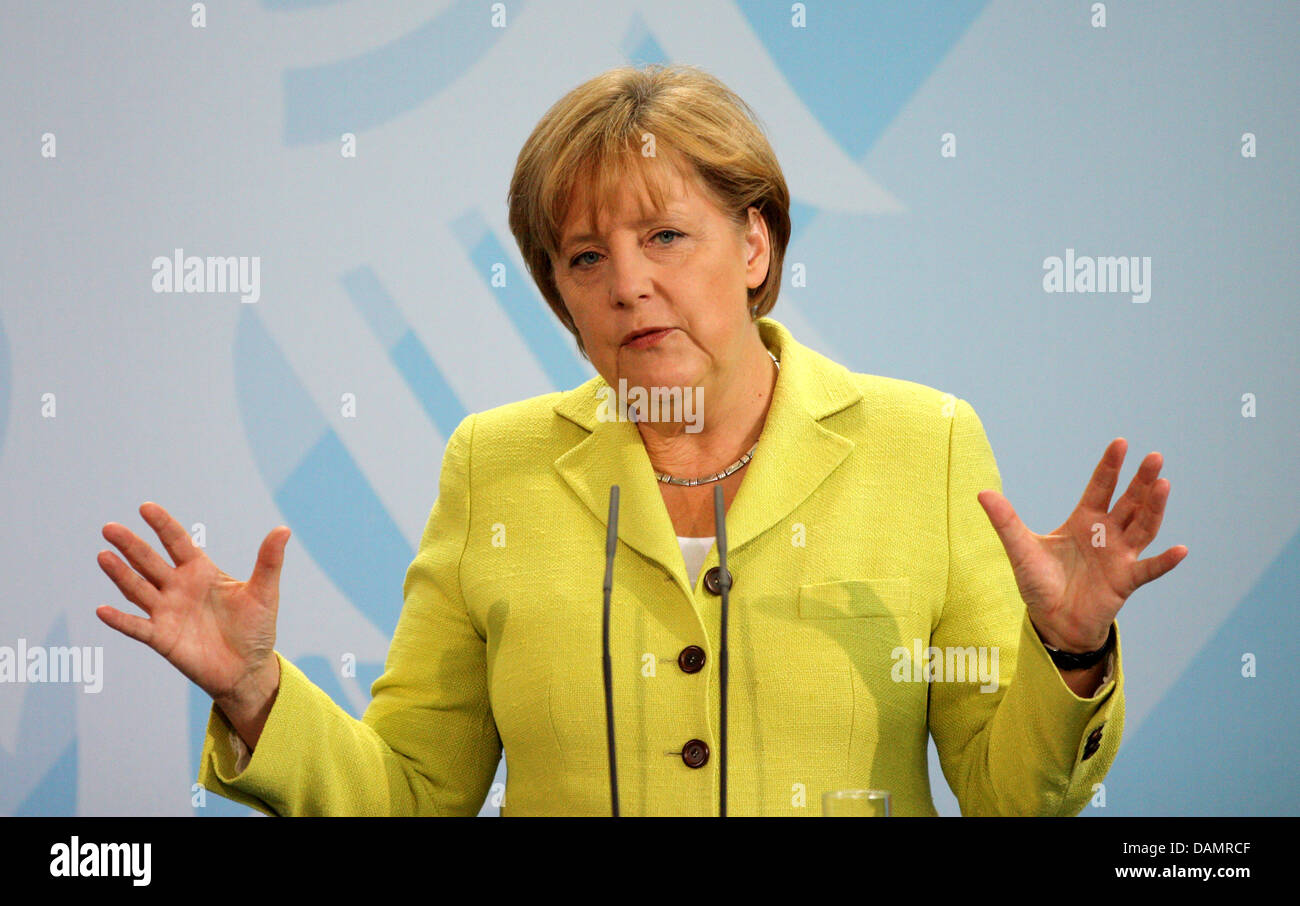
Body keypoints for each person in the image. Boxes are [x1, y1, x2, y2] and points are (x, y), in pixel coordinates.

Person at [95, 63, 1186, 816]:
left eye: (666, 235)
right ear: (559, 294)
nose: (628, 284)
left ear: (754, 241)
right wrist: (254, 696)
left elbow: (1012, 795)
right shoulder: (494, 466)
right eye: (583, 258)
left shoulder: (925, 443)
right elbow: (413, 793)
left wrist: (1071, 655)